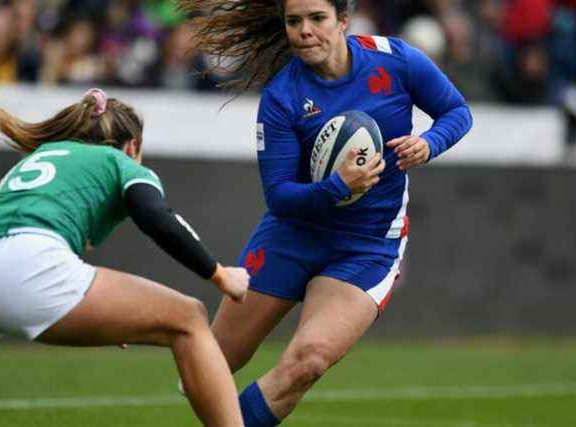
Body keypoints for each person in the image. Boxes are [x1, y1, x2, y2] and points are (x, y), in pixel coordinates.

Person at [178, 0, 473, 425]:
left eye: (317, 19)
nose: (305, 30)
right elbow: (279, 197)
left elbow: (457, 112)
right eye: (294, 21)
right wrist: (339, 186)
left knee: (308, 361)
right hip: (292, 235)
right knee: (204, 371)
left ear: (343, 22)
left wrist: (430, 143)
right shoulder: (282, 96)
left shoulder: (397, 61)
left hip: (366, 246)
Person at [0, 89, 248, 427]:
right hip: (25, 263)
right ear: (134, 146)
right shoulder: (119, 161)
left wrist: (116, 314)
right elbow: (156, 217)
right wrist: (218, 274)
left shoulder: (42, 157)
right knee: (189, 316)